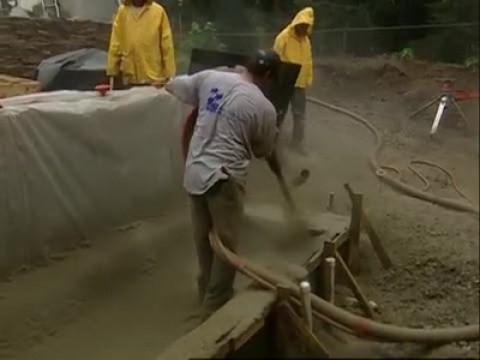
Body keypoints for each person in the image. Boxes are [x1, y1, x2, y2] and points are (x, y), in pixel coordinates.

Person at [165, 50, 291, 321]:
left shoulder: (211, 77)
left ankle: (205, 295)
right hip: (224, 178)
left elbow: (172, 85)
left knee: (204, 241)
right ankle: (214, 309)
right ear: (269, 76)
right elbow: (263, 150)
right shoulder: (264, 107)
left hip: (194, 172)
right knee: (226, 245)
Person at [107, 0, 176, 88]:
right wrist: (112, 69)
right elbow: (115, 42)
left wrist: (170, 74)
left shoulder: (158, 12)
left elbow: (167, 45)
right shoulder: (123, 12)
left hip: (153, 78)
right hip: (130, 77)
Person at [274, 7, 315, 154]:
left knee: (299, 115)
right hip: (284, 82)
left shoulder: (306, 41)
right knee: (279, 112)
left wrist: (308, 79)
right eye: (302, 26)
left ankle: (297, 143)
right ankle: (272, 142)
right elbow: (275, 59)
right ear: (296, 23)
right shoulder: (283, 37)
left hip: (299, 84)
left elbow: (308, 61)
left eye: (306, 27)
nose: (304, 29)